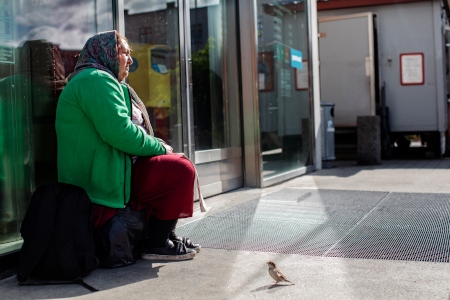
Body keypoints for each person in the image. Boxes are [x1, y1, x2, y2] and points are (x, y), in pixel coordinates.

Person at [56, 30, 200, 261]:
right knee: (178, 169)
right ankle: (157, 243)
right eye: (123, 52)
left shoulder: (101, 80)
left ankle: (166, 236)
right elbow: (120, 133)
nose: (130, 60)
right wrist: (160, 148)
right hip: (103, 176)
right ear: (105, 53)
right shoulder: (96, 80)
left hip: (119, 168)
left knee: (173, 166)